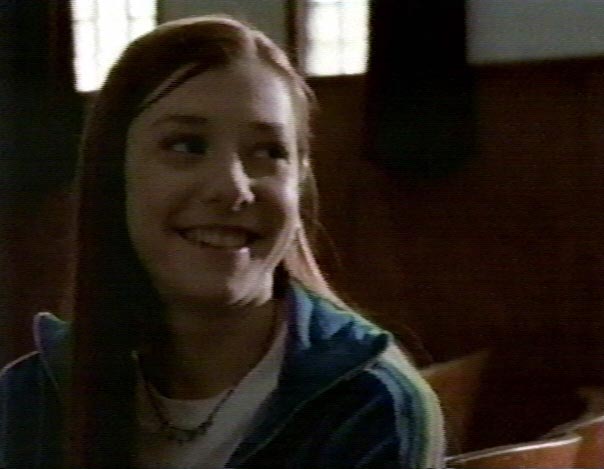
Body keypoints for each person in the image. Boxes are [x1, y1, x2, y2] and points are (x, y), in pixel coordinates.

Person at [0, 15, 445, 468]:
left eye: (268, 152)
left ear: (299, 182)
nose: (232, 188)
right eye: (187, 145)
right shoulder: (30, 403)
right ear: (113, 174)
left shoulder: (368, 406)